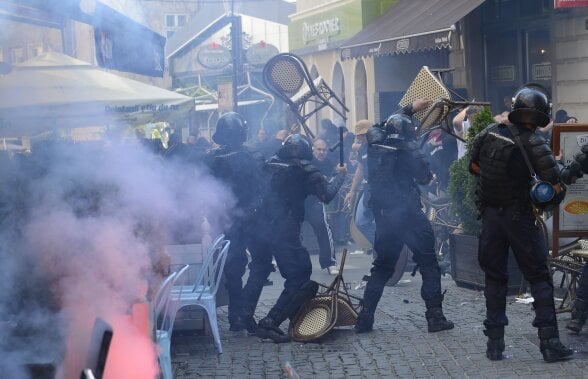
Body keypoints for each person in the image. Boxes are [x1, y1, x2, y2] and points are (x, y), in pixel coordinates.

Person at [469, 83, 574, 362]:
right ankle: (550, 343)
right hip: (519, 217)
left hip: (491, 218)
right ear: (539, 114)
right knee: (539, 276)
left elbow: (474, 166)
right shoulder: (535, 142)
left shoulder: (488, 133)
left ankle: (494, 345)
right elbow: (554, 184)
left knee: (495, 278)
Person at [354, 99, 455, 335]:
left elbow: (382, 123)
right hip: (407, 212)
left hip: (383, 214)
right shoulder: (409, 148)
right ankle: (435, 317)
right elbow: (423, 176)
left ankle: (364, 319)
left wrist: (409, 109)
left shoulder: (374, 142)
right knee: (429, 263)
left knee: (381, 267)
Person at [253, 134, 347, 342]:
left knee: (298, 274)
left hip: (262, 227)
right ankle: (270, 321)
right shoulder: (306, 169)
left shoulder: (270, 165)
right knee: (300, 278)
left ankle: (294, 317)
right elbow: (326, 195)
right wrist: (340, 175)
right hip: (284, 229)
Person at [203, 112, 267, 332]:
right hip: (248, 217)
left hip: (229, 217)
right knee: (258, 264)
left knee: (234, 267)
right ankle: (242, 312)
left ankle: (237, 315)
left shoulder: (211, 159)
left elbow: (205, 189)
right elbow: (264, 188)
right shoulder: (254, 156)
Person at [304, 138, 338, 274]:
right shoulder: (306, 160)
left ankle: (329, 262)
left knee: (324, 230)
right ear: (313, 149)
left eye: (324, 150)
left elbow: (329, 185)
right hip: (299, 201)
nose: (321, 152)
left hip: (315, 202)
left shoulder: (329, 164)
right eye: (319, 149)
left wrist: (338, 174)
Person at [344, 120, 375, 250]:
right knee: (360, 222)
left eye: (360, 135)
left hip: (383, 189)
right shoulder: (362, 149)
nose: (358, 138)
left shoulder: (380, 146)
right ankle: (381, 245)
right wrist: (351, 191)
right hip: (368, 188)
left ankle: (386, 250)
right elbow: (360, 169)